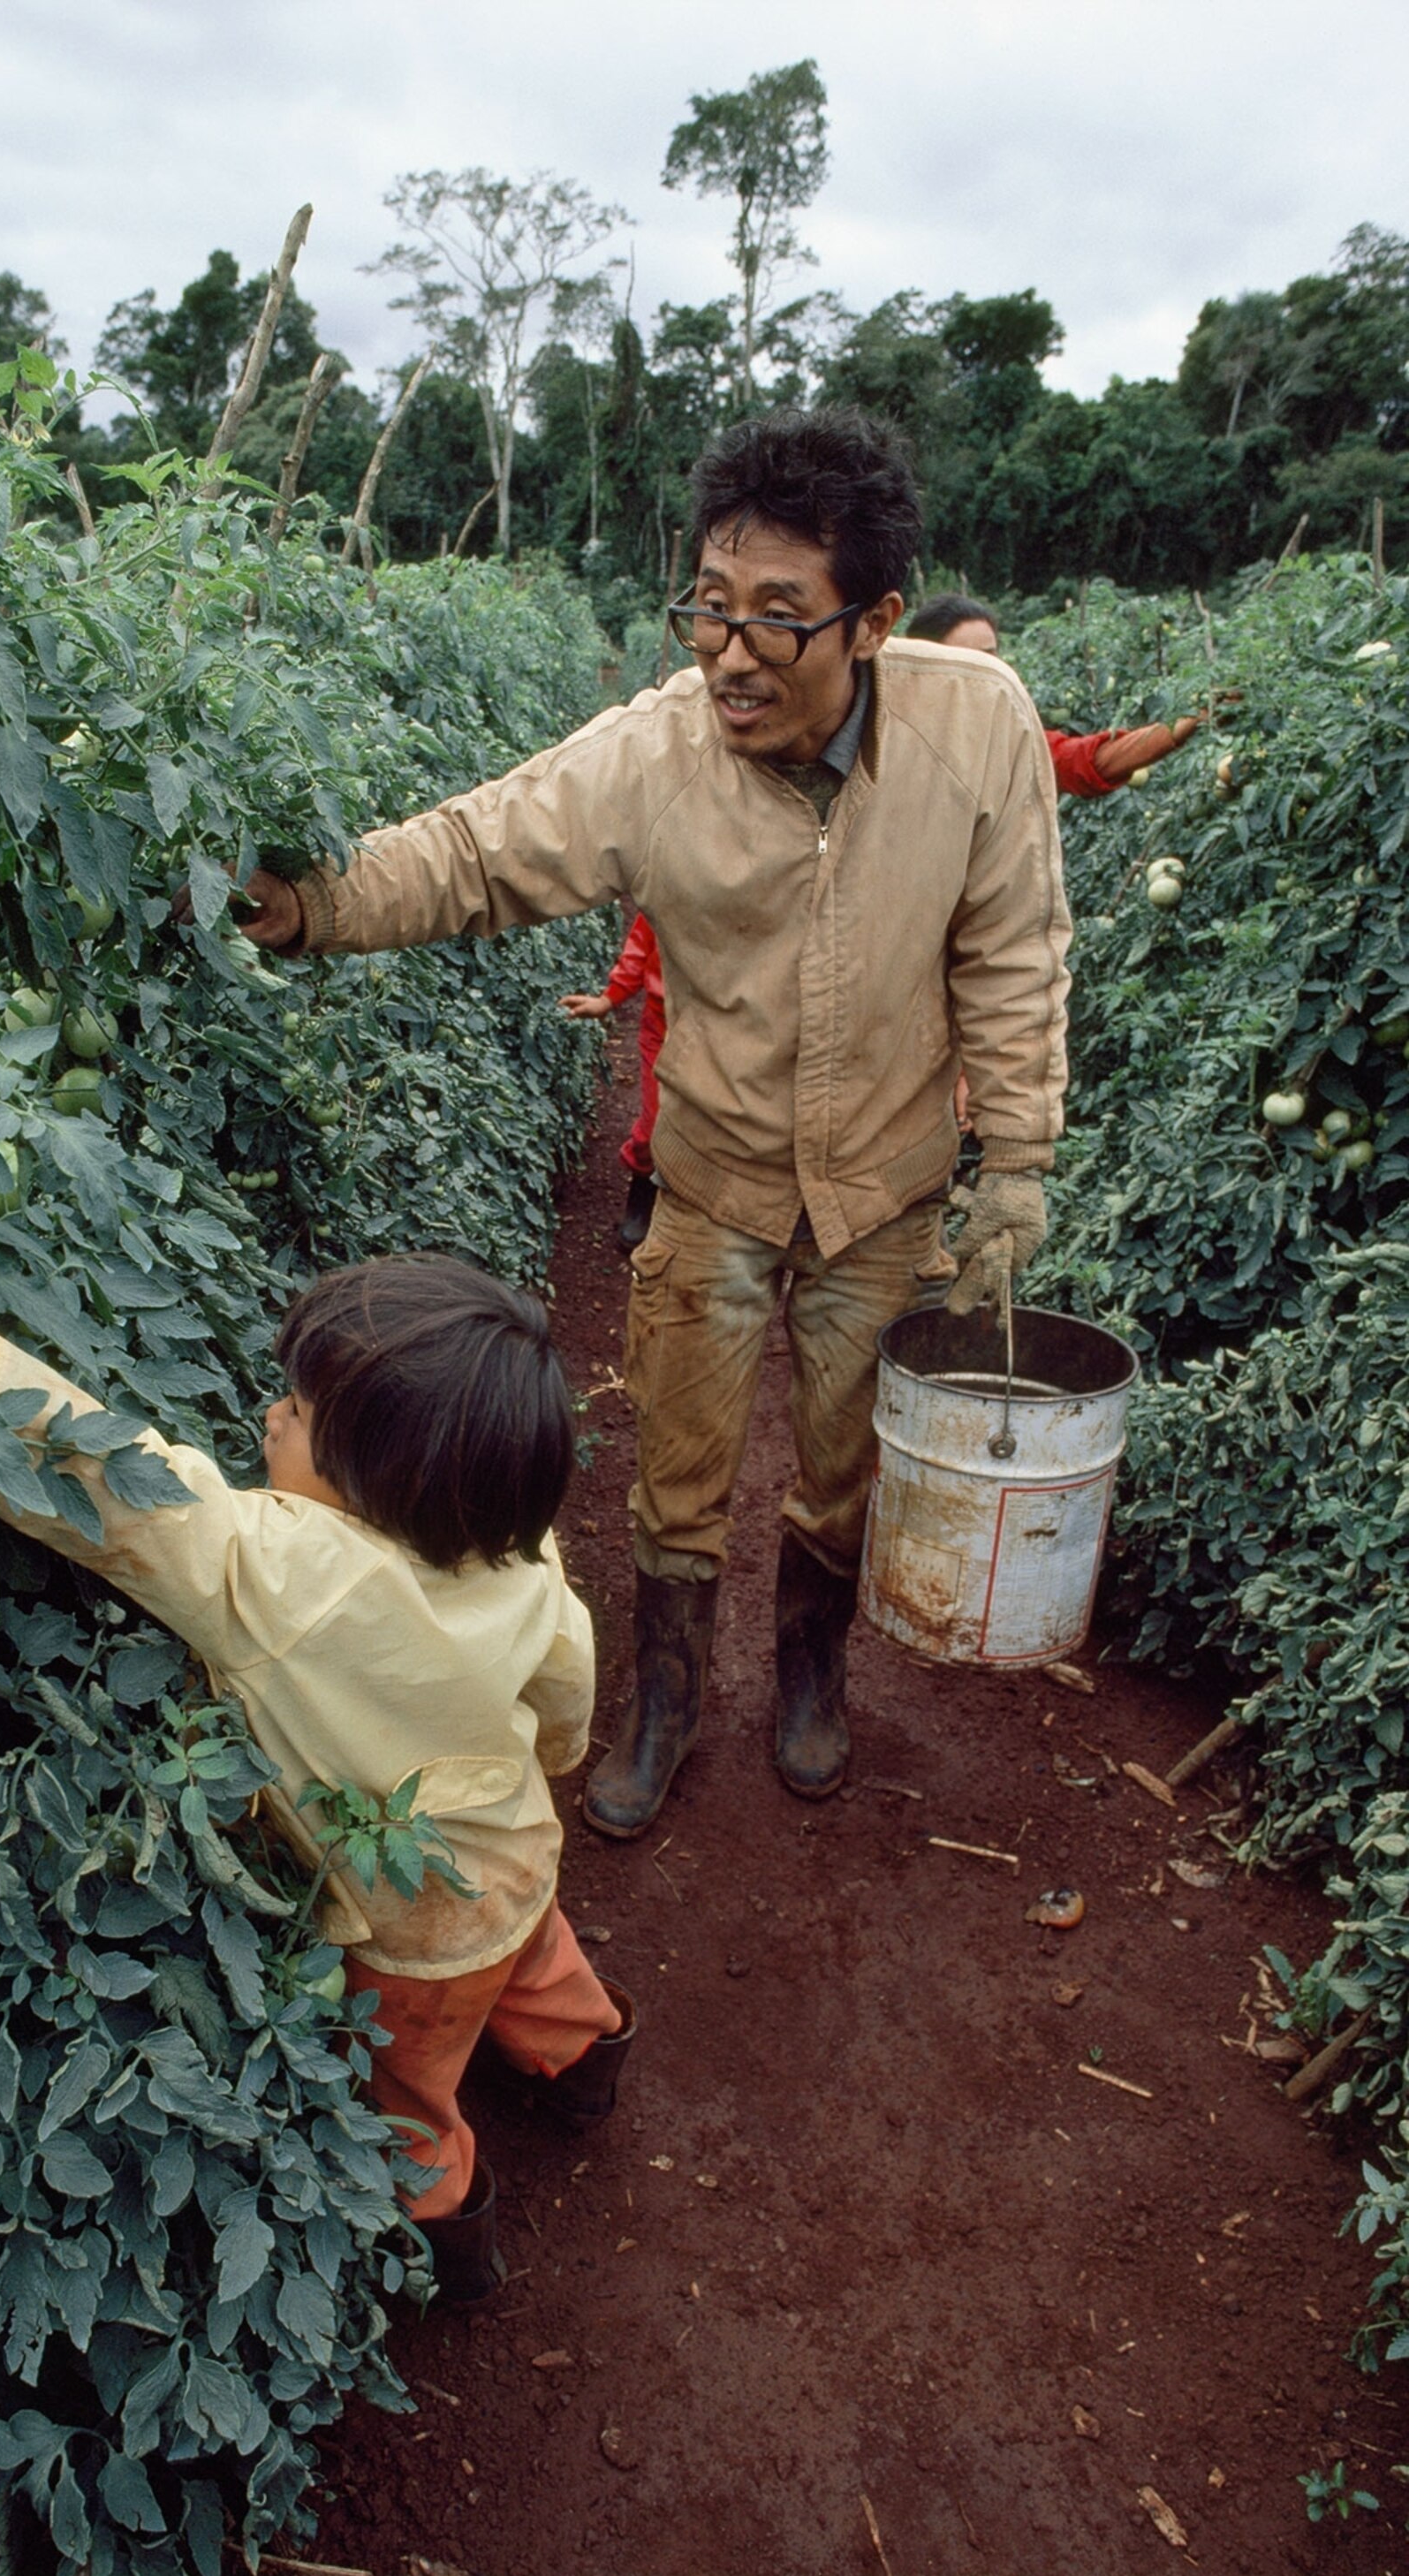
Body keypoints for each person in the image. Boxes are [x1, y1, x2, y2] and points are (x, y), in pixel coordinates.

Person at [234, 406, 1071, 1840]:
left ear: (870, 619)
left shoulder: (973, 728)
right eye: (707, 607)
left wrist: (1021, 1158)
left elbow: (1011, 944)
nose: (728, 652)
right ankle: (664, 1700)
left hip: (885, 1191)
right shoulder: (652, 754)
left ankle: (809, 1673)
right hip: (714, 1184)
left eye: (774, 620)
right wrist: (306, 903)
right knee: (676, 1466)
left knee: (839, 1453)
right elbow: (476, 849)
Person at [0, 1200, 633, 2309]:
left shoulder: (277, 1571)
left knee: (409, 2080)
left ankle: (445, 2240)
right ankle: (585, 2069)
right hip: (517, 1851)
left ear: (368, 1483)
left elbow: (128, 1489)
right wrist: (558, 1758)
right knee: (533, 1963)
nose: (267, 1415)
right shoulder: (520, 1556)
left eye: (292, 1410)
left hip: (408, 1923)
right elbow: (565, 1687)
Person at [904, 592, 1208, 796]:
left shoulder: (1006, 742)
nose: (988, 672)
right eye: (969, 661)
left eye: (991, 657)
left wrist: (1183, 724)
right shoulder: (889, 740)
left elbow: (1087, 760)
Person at [560, 906, 666, 1253]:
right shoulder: (674, 875)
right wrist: (609, 998)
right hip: (663, 1026)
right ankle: (641, 1200)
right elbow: (641, 942)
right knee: (654, 1126)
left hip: (724, 1030)